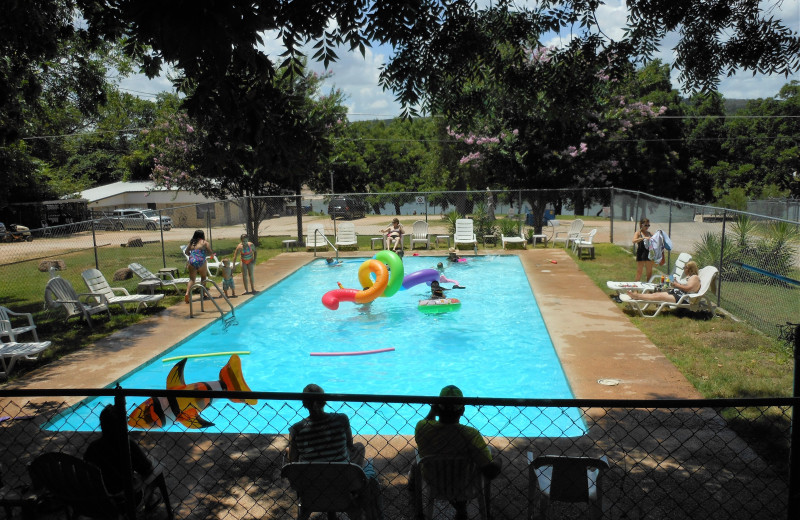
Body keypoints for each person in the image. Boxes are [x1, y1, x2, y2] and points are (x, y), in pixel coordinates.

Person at [288, 384, 382, 518]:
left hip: (312, 489)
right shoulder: (341, 419)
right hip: (342, 484)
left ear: (304, 404)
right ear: (324, 401)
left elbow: (293, 460)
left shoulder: (296, 429)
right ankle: (354, 491)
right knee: (359, 447)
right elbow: (350, 446)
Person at [412, 385, 502, 520]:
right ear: (462, 411)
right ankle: (463, 508)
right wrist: (497, 460)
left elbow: (427, 421)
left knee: (415, 465)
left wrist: (433, 411)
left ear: (437, 407)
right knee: (490, 455)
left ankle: (419, 513)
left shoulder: (422, 428)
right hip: (464, 484)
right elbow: (490, 471)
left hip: (434, 482)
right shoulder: (471, 435)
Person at [84, 405, 163, 508]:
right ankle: (149, 499)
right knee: (155, 468)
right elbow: (147, 469)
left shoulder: (93, 447)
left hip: (100, 499)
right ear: (123, 425)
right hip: (125, 499)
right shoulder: (127, 446)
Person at [624, 261, 701, 303]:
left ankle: (636, 297)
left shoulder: (694, 277)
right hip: (677, 293)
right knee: (656, 294)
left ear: (690, 269)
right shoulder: (688, 277)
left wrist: (676, 284)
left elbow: (688, 288)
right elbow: (685, 286)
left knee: (658, 297)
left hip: (682, 298)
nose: (684, 269)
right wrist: (676, 282)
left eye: (685, 267)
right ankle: (637, 296)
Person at [184, 229, 215, 303]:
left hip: (192, 261)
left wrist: (192, 256)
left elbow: (186, 252)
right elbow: (211, 252)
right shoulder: (205, 242)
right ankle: (203, 293)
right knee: (203, 277)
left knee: (192, 279)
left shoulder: (191, 243)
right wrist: (211, 256)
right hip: (201, 261)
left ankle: (187, 293)